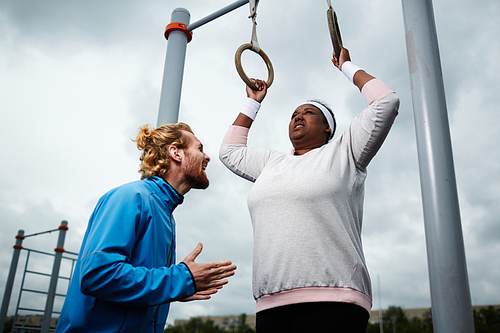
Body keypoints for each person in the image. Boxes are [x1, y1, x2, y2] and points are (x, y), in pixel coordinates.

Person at [219, 47, 399, 333]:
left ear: (328, 128)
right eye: (294, 114)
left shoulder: (345, 152)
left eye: (309, 113)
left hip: (335, 300)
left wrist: (347, 67)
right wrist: (252, 103)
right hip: (272, 303)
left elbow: (386, 102)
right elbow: (229, 152)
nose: (298, 116)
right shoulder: (272, 163)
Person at [56, 122, 237, 333]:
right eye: (199, 149)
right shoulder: (131, 197)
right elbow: (98, 275)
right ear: (175, 153)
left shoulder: (166, 215)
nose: (207, 157)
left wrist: (175, 288)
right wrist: (179, 278)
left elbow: (141, 285)